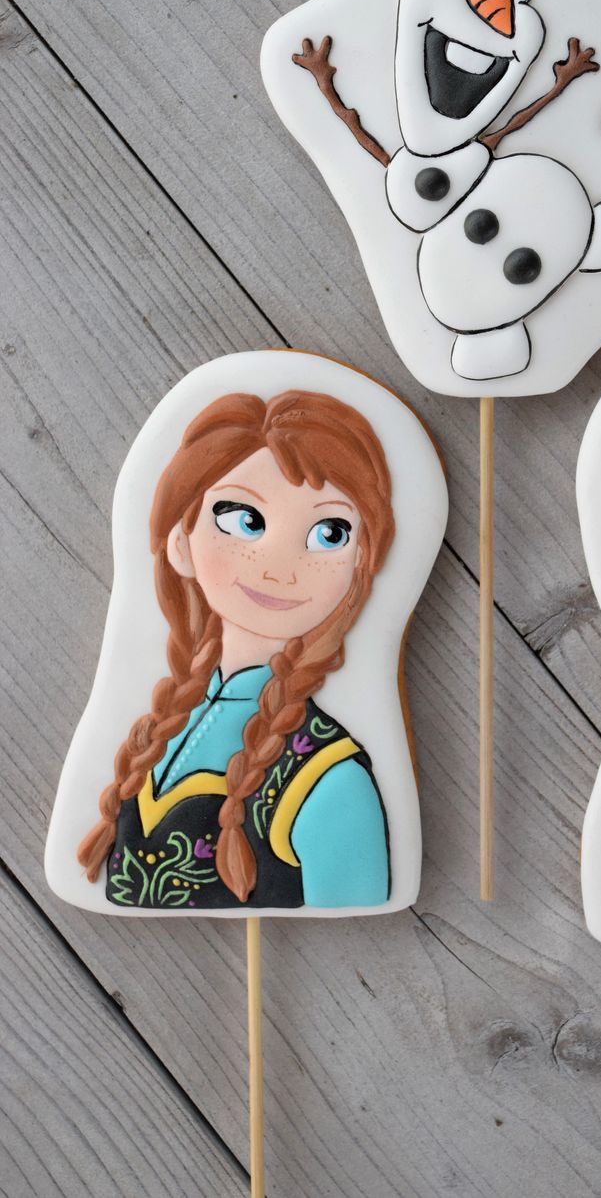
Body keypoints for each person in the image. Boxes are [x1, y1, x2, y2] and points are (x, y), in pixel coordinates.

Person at [77, 389, 396, 910]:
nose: (280, 567)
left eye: (329, 533)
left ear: (361, 562)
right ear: (181, 540)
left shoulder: (331, 779)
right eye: (244, 520)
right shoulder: (158, 732)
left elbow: (356, 913)